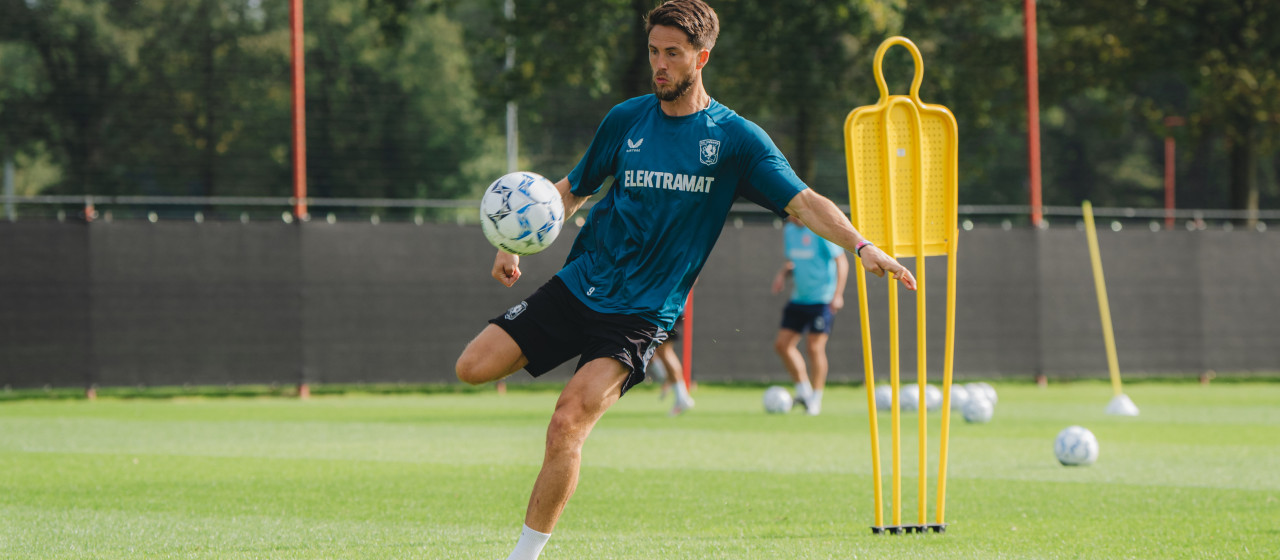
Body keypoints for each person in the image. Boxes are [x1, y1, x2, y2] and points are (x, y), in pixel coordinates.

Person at [453, 2, 916, 558]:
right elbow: (572, 191)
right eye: (653, 51)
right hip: (582, 284)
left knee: (567, 420)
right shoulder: (625, 120)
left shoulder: (735, 139)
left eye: (673, 53)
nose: (660, 65)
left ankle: (524, 555)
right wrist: (512, 240)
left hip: (642, 313)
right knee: (472, 368)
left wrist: (862, 246)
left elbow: (805, 201)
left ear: (702, 56)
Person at [771, 216, 848, 415]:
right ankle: (803, 392)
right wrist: (782, 274)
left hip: (822, 299)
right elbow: (792, 262)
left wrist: (837, 295)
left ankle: (816, 399)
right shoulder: (789, 230)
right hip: (799, 298)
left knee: (814, 347)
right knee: (782, 346)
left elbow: (841, 262)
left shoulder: (820, 230)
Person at [653, 315, 694, 415]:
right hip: (664, 309)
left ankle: (681, 397)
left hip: (669, 309)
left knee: (664, 350)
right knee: (656, 350)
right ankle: (671, 383)